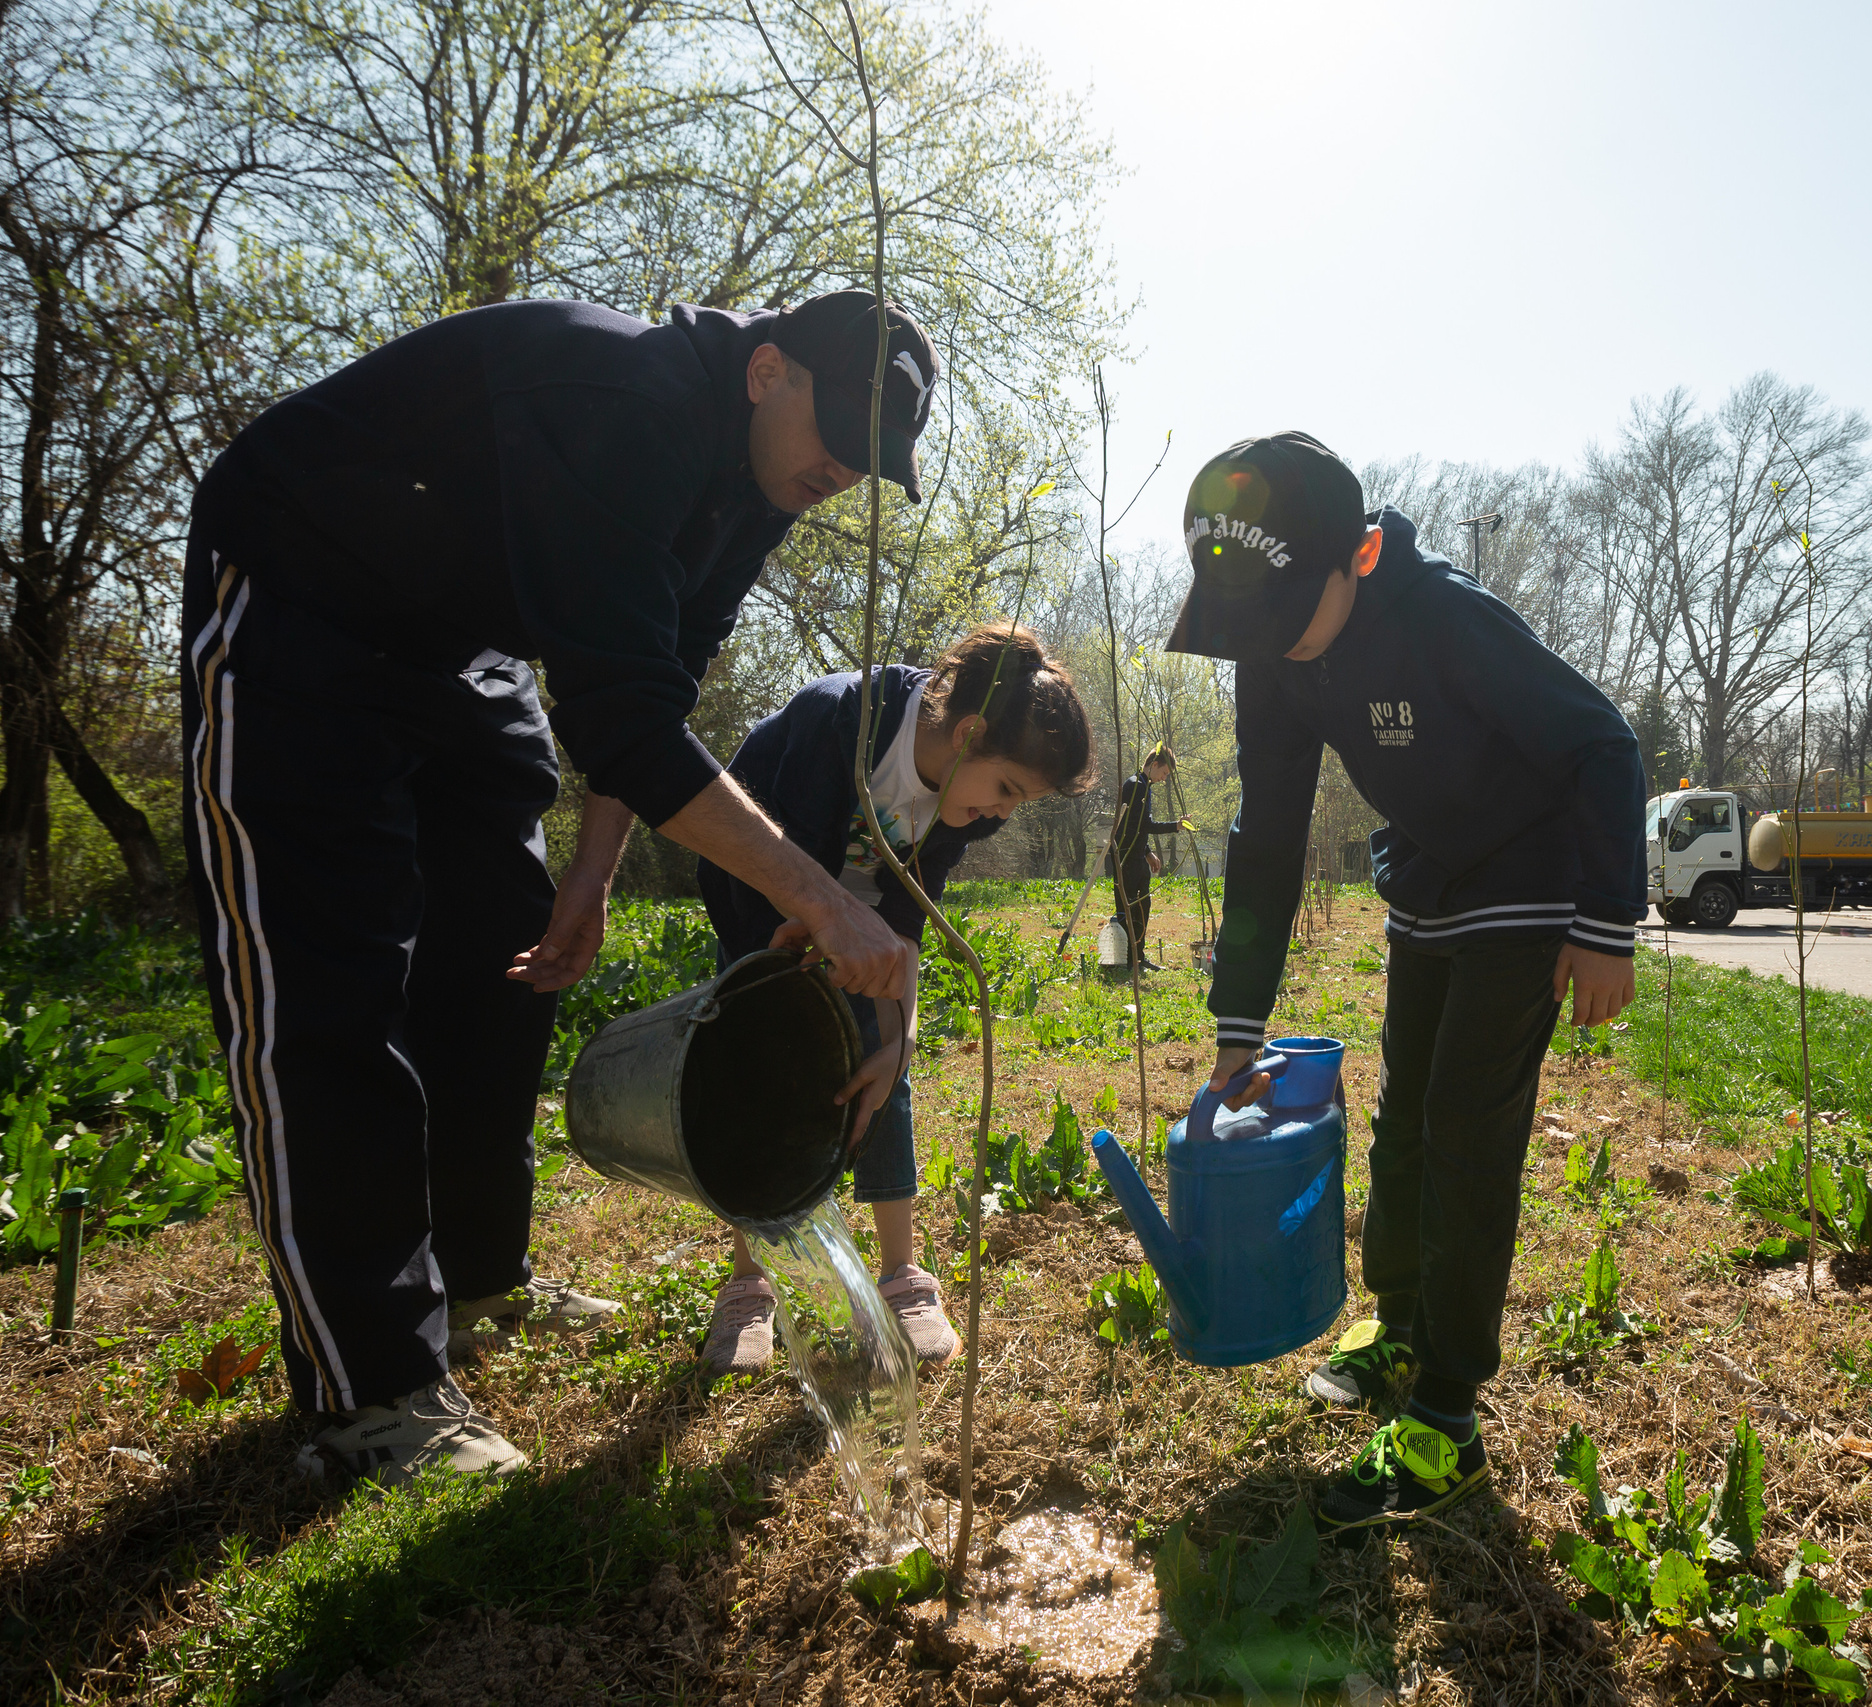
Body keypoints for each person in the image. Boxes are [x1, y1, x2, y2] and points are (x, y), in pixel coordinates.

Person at [183, 287, 941, 1485]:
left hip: (456, 652)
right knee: (326, 993)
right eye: (838, 428)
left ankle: (480, 1281)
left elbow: (661, 677)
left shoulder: (754, 485)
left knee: (501, 963)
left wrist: (589, 873)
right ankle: (372, 1388)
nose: (846, 467)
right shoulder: (623, 394)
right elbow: (625, 716)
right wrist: (826, 902)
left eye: (873, 456)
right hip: (300, 610)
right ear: (766, 371)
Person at [1165, 433, 1641, 1536]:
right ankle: (1400, 1324)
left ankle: (1445, 1419)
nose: (1271, 650)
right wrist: (1240, 1018)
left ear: (1363, 557)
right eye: (1250, 628)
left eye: (1286, 618)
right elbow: (1268, 830)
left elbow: (1601, 745)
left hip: (1530, 877)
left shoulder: (1445, 617)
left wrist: (1605, 926)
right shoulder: (1272, 656)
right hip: (1428, 880)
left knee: (1467, 1131)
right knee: (1401, 1125)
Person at [692, 625, 1095, 1374]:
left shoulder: (958, 808)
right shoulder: (839, 723)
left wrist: (899, 1039)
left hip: (861, 917)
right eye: (1007, 788)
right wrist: (803, 959)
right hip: (759, 899)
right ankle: (747, 1284)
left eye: (1020, 803)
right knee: (752, 1069)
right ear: (970, 732)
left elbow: (904, 929)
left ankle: (903, 1273)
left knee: (882, 1060)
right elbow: (767, 870)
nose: (1003, 813)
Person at [1108, 742, 1188, 971]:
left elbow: (1136, 828)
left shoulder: (1144, 785)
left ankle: (1139, 957)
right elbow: (1143, 825)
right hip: (1125, 858)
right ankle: (1127, 960)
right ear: (1154, 764)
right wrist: (1176, 826)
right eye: (1163, 773)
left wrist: (1148, 853)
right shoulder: (1136, 786)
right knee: (1129, 908)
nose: (1164, 779)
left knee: (1143, 906)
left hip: (1137, 856)